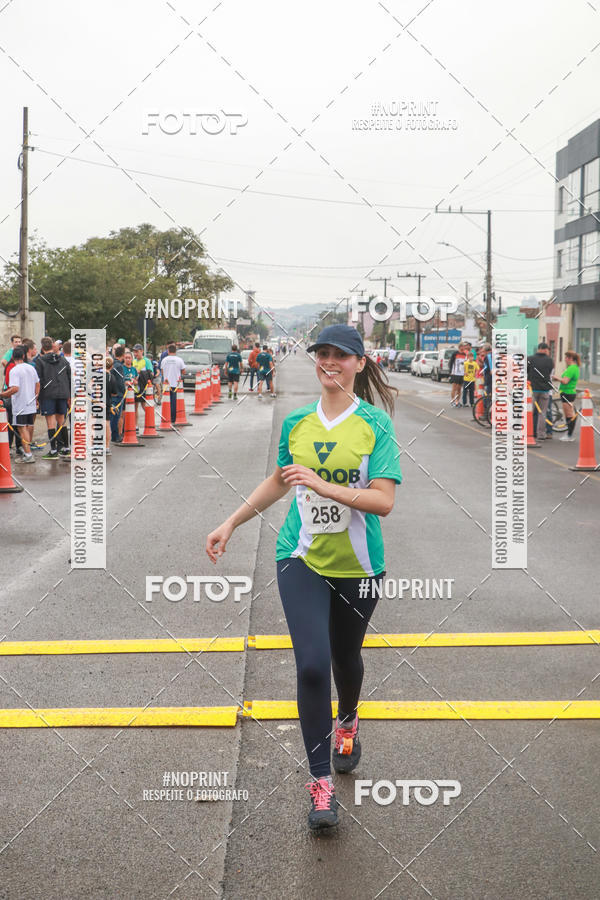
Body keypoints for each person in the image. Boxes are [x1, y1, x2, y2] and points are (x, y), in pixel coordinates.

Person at [206, 324, 402, 831]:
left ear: (360, 364)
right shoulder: (297, 423)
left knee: (346, 659)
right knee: (313, 667)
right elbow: (279, 481)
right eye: (323, 354)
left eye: (341, 355)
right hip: (301, 557)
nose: (330, 362)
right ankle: (319, 783)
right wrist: (230, 522)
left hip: (360, 566)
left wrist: (323, 485)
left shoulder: (375, 425)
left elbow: (383, 501)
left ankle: (348, 719)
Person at [35, 336, 71, 460]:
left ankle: (54, 450)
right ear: (52, 346)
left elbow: (38, 380)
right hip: (62, 393)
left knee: (50, 422)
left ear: (42, 347)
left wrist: (37, 396)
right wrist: (69, 395)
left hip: (48, 393)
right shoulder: (63, 359)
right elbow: (69, 377)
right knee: (62, 421)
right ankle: (66, 448)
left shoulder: (40, 361)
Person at [2, 346, 39, 463]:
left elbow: (15, 389)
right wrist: (35, 397)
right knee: (28, 427)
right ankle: (28, 452)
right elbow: (38, 384)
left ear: (13, 357)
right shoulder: (31, 368)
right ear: (23, 356)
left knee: (22, 429)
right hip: (30, 403)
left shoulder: (14, 370)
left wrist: (2, 394)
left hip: (20, 405)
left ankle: (28, 455)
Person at [528, 342, 554, 441]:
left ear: (538, 348)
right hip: (545, 390)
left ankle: (531, 432)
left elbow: (526, 371)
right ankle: (541, 434)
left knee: (531, 412)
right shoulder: (550, 360)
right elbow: (550, 372)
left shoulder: (530, 359)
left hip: (532, 389)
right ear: (545, 349)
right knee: (542, 413)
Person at [552, 350, 581, 441]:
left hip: (568, 393)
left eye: (566, 357)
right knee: (569, 414)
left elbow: (565, 381)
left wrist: (555, 377)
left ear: (571, 358)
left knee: (569, 415)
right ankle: (569, 434)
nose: (565, 359)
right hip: (567, 392)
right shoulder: (573, 367)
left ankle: (569, 435)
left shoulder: (572, 368)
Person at [160, 343, 186, 424]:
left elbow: (162, 371)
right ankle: (173, 418)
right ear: (175, 351)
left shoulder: (164, 360)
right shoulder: (179, 360)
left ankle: (166, 416)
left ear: (168, 351)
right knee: (174, 402)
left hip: (166, 384)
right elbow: (184, 371)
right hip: (175, 384)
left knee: (166, 402)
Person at [110, 344, 127, 442]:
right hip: (118, 394)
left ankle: (114, 435)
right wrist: (124, 391)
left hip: (112, 393)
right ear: (123, 355)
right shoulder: (119, 366)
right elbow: (120, 382)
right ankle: (115, 436)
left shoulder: (112, 364)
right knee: (116, 416)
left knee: (113, 416)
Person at [448, 343, 467, 407]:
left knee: (459, 389)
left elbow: (465, 364)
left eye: (464, 347)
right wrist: (450, 371)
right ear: (460, 347)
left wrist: (465, 371)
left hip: (461, 374)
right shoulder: (455, 353)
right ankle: (452, 401)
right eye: (463, 346)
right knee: (454, 388)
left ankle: (457, 401)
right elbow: (451, 363)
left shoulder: (464, 354)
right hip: (455, 373)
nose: (463, 348)